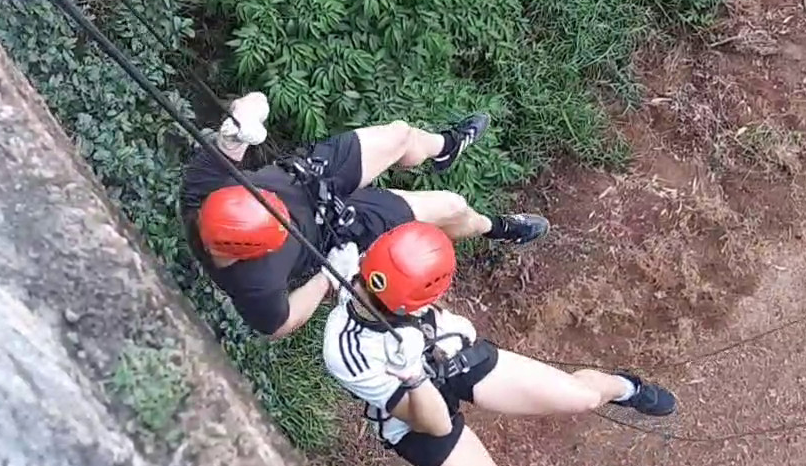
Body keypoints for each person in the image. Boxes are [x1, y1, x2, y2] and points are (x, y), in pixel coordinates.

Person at [323, 220, 678, 466]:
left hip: (452, 356)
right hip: (412, 414)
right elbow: (435, 423)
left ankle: (625, 388)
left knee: (581, 398)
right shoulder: (347, 351)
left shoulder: (378, 258)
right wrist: (411, 378)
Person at [180, 92, 548, 338]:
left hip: (308, 175)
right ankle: (495, 227)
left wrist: (241, 122)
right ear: (251, 251)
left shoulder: (201, 191)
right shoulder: (254, 289)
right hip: (335, 228)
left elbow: (245, 116)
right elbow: (281, 324)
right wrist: (327, 277)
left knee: (401, 135)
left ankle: (445, 148)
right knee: (451, 206)